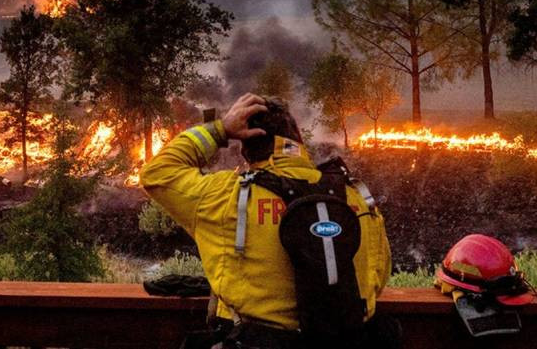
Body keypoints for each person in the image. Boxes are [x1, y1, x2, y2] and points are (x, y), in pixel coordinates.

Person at [140, 93, 394, 348]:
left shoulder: (225, 195)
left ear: (246, 148)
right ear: (299, 141)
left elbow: (157, 173)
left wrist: (220, 130)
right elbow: (378, 278)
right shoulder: (357, 197)